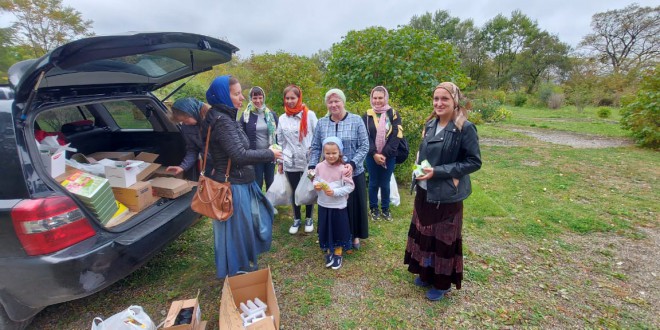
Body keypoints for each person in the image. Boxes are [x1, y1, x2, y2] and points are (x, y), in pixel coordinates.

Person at [404, 82, 482, 301]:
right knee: (426, 235)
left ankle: (442, 283)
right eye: (436, 98)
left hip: (447, 194)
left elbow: (474, 162)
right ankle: (427, 273)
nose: (439, 103)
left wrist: (437, 172)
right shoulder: (430, 124)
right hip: (425, 191)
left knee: (443, 240)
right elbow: (423, 155)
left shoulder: (464, 128)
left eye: (444, 99)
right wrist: (418, 170)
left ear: (454, 100)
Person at [201, 75, 283, 279]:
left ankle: (240, 266)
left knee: (246, 224)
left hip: (239, 181)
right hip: (233, 185)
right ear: (222, 95)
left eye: (240, 93)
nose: (240, 98)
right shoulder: (223, 121)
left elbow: (241, 147)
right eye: (236, 93)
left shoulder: (225, 117)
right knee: (238, 230)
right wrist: (270, 154)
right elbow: (239, 155)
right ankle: (238, 271)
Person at [308, 88, 369, 250]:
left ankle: (354, 235)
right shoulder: (322, 123)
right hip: (328, 174)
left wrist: (353, 164)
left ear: (343, 102)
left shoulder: (356, 120)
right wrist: (312, 167)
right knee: (331, 206)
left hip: (352, 172)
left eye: (337, 101)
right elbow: (315, 147)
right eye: (330, 102)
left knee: (353, 206)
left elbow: (364, 146)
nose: (334, 104)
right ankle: (331, 236)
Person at [276, 85, 318, 234]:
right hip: (290, 161)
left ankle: (308, 218)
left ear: (299, 98)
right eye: (287, 98)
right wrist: (280, 162)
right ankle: (296, 218)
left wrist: (316, 159)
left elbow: (317, 137)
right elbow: (280, 142)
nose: (290, 101)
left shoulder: (310, 115)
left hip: (309, 161)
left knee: (309, 188)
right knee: (294, 190)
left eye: (293, 98)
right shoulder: (282, 118)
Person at [313, 137, 354, 270]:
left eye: (334, 153)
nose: (331, 156)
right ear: (323, 153)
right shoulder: (319, 167)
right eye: (328, 153)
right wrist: (316, 185)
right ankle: (329, 249)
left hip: (338, 205)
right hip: (323, 204)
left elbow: (350, 187)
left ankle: (338, 251)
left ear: (340, 152)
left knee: (338, 227)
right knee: (326, 227)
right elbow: (314, 179)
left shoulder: (343, 169)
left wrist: (335, 192)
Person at [362, 86, 402, 221]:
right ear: (371, 98)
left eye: (380, 98)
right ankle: (373, 209)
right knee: (373, 182)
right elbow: (365, 137)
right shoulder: (366, 116)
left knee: (385, 183)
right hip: (371, 155)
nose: (377, 100)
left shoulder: (394, 114)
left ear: (386, 98)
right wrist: (374, 153)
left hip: (389, 156)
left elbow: (397, 135)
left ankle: (385, 209)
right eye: (375, 98)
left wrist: (384, 154)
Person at [240, 86, 279, 191]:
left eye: (260, 97)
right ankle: (258, 205)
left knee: (270, 181)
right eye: (255, 98)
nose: (258, 101)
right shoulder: (245, 116)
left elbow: (277, 135)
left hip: (270, 154)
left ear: (264, 98)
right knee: (257, 182)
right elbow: (241, 135)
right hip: (255, 155)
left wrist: (278, 152)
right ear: (250, 99)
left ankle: (270, 205)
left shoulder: (271, 115)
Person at [166, 98, 213, 177]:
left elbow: (227, 146)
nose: (185, 124)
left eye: (186, 120)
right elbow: (193, 149)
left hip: (223, 166)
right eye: (182, 122)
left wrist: (220, 167)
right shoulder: (186, 127)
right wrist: (182, 167)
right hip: (207, 164)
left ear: (192, 112)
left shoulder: (213, 121)